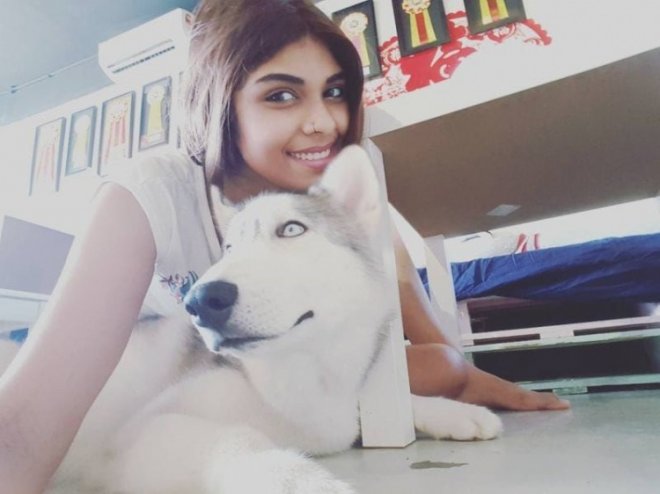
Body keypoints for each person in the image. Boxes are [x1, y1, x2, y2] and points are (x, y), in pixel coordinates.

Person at [0, 0, 569, 491]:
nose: (323, 122)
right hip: (152, 386)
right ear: (222, 103)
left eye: (335, 92)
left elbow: (400, 301)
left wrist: (464, 379)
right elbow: (28, 420)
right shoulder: (152, 192)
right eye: (281, 95)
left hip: (276, 384)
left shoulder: (342, 173)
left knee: (436, 365)